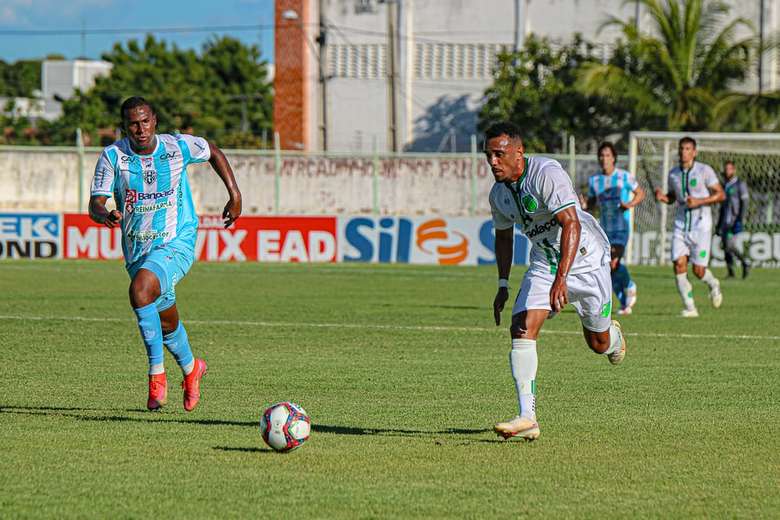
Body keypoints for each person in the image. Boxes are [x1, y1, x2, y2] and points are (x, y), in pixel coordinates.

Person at [88, 96, 242, 411]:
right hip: (137, 249)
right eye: (133, 123)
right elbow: (95, 204)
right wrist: (105, 214)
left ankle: (156, 376)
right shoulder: (113, 157)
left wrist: (235, 194)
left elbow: (212, 151)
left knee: (141, 290)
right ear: (124, 127)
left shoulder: (176, 147)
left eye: (145, 121)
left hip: (177, 240)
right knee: (166, 320)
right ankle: (191, 368)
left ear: (155, 120)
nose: (140, 129)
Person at [486, 122, 627, 442]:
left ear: (518, 153)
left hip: (586, 259)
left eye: (499, 154)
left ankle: (614, 338)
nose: (492, 161)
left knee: (598, 344)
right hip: (545, 262)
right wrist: (503, 284)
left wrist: (562, 279)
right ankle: (527, 416)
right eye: (488, 155)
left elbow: (572, 222)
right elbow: (504, 237)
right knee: (521, 327)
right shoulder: (499, 194)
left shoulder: (545, 173)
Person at [654, 137, 725, 318]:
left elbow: (720, 194)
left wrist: (700, 201)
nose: (684, 152)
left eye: (687, 149)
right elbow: (673, 197)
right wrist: (664, 198)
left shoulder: (704, 170)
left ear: (694, 152)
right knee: (678, 264)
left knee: (698, 270)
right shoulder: (673, 174)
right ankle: (690, 307)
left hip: (701, 226)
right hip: (680, 225)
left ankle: (713, 284)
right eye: (681, 149)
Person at [582, 142, 645, 314]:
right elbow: (591, 205)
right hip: (604, 231)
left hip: (621, 229)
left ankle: (630, 285)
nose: (604, 159)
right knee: (608, 268)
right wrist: (585, 204)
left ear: (614, 158)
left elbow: (641, 193)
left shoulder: (624, 177)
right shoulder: (594, 181)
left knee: (613, 261)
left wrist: (629, 204)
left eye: (607, 155)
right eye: (601, 155)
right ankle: (625, 304)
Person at [716, 161, 750, 278]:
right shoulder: (725, 185)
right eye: (726, 169)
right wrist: (719, 223)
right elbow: (722, 206)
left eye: (729, 169)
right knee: (725, 246)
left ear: (734, 170)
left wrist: (740, 219)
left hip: (734, 221)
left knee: (729, 245)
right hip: (725, 221)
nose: (727, 171)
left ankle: (745, 262)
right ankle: (731, 272)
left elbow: (745, 203)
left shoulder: (740, 184)